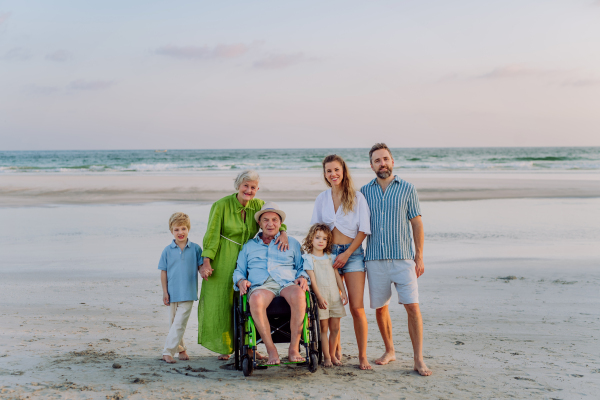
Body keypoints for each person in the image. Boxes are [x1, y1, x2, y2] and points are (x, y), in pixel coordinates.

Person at [198, 170, 289, 360]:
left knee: (248, 302)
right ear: (238, 185)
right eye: (245, 186)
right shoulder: (221, 205)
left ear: (257, 189)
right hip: (224, 257)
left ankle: (250, 348)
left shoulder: (259, 205)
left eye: (253, 187)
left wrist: (283, 233)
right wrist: (206, 261)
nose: (249, 190)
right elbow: (211, 235)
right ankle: (226, 347)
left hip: (250, 258)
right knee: (223, 303)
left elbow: (274, 219)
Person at [360, 143, 432, 376]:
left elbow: (417, 222)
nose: (383, 163)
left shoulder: (408, 189)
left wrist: (419, 255)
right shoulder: (364, 192)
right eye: (377, 160)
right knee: (381, 309)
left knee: (412, 306)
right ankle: (389, 350)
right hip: (374, 259)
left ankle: (418, 359)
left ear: (392, 161)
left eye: (386, 159)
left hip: (403, 258)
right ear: (371, 166)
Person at [310, 154, 372, 370]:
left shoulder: (357, 197)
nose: (333, 174)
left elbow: (364, 230)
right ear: (325, 174)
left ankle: (362, 356)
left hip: (352, 255)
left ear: (343, 171)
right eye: (328, 171)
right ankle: (334, 351)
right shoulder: (322, 198)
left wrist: (347, 254)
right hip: (328, 256)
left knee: (356, 308)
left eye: (336, 170)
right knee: (332, 307)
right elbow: (315, 229)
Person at [232, 202, 309, 365]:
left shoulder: (292, 243)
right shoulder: (249, 246)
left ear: (280, 223)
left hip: (286, 282)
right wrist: (240, 281)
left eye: (274, 220)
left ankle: (293, 348)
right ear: (259, 223)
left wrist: (302, 277)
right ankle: (271, 350)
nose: (270, 223)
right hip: (261, 285)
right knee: (255, 299)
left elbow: (302, 266)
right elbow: (239, 270)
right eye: (265, 220)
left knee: (300, 295)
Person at [158, 212, 203, 363]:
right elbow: (163, 272)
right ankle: (182, 350)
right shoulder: (167, 250)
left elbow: (202, 267)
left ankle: (167, 352)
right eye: (176, 229)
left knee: (179, 323)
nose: (180, 232)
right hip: (172, 293)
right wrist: (165, 292)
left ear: (188, 229)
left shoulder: (196, 249)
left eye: (183, 229)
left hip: (188, 293)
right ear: (171, 231)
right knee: (174, 324)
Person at [302, 223, 348, 367]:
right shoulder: (309, 258)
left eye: (324, 239)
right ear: (311, 239)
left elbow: (337, 277)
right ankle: (327, 357)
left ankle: (334, 355)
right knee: (324, 329)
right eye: (317, 238)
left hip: (334, 297)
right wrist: (320, 298)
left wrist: (344, 293)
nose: (321, 241)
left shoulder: (331, 257)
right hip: (321, 298)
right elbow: (313, 281)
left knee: (335, 328)